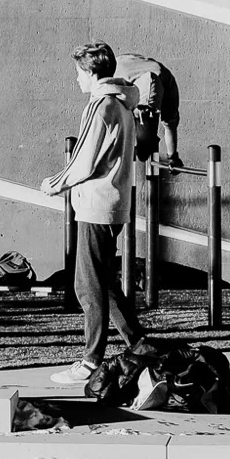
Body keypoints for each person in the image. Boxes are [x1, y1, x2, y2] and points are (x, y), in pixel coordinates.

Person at [41, 42, 147, 386]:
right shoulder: (121, 103)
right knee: (104, 283)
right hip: (111, 203)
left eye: (78, 72)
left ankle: (91, 360)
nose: (76, 79)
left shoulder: (101, 106)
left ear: (91, 72)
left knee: (86, 285)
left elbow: (84, 160)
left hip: (97, 205)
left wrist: (55, 184)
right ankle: (141, 346)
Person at [110, 50, 183, 166]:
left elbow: (170, 125)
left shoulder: (167, 82)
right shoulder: (116, 73)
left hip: (146, 79)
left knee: (144, 150)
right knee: (142, 149)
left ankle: (144, 136)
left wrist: (172, 156)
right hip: (123, 69)